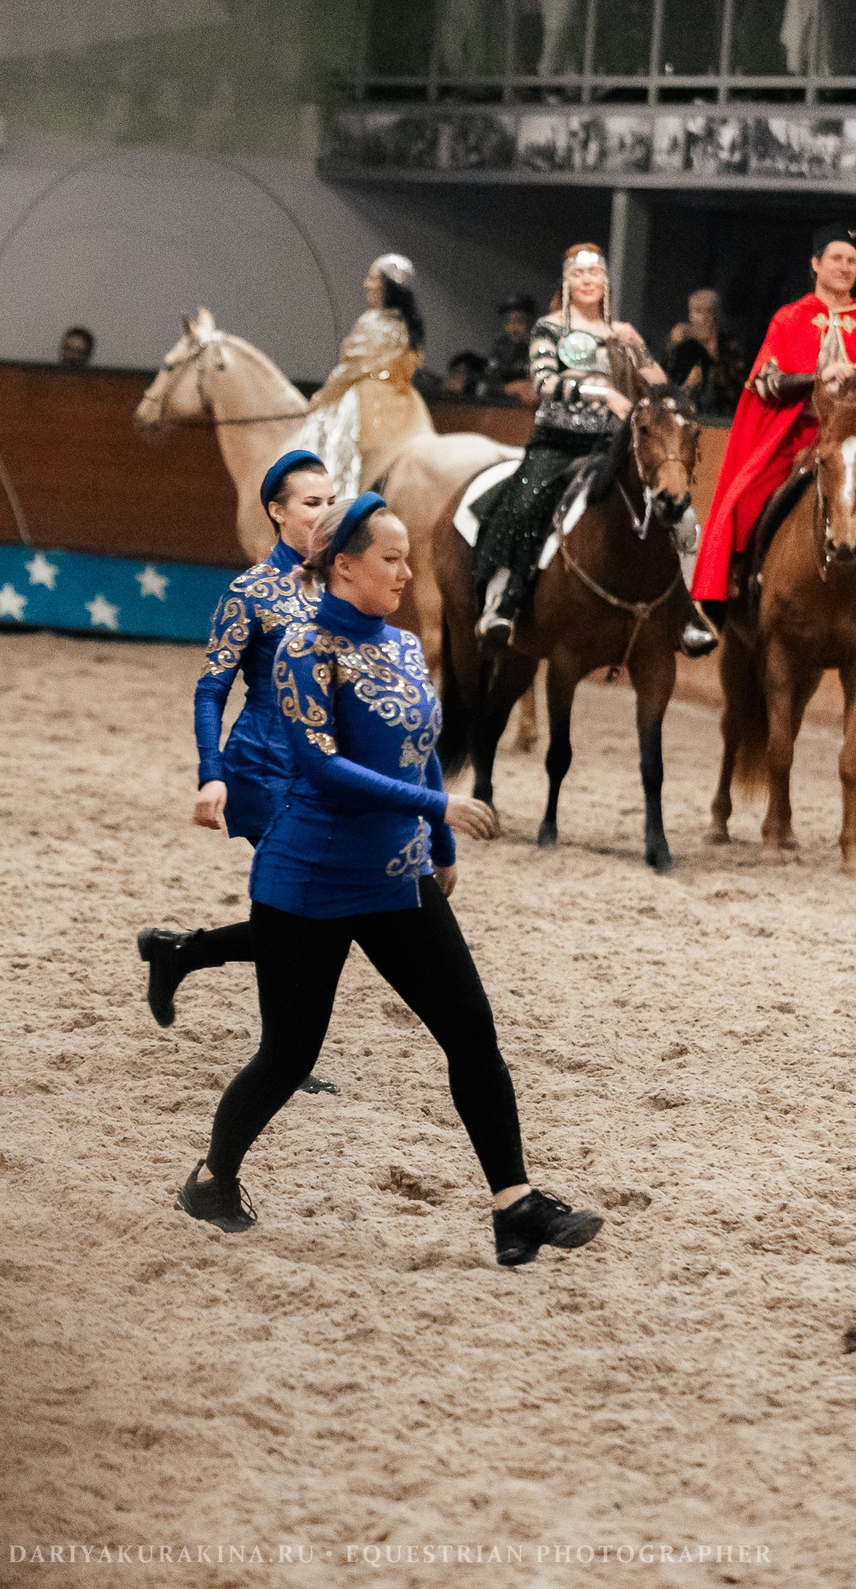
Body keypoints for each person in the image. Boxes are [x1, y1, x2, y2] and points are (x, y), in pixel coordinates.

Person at [174, 492, 607, 1268]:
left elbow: (418, 751)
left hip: (399, 876)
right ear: (343, 565)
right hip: (305, 879)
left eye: (408, 558)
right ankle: (213, 1179)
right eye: (392, 558)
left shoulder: (407, 648)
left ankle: (515, 1205)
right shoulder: (304, 649)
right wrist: (438, 805)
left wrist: (438, 839)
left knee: (472, 1032)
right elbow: (322, 768)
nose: (408, 573)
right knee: (288, 1055)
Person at [136, 448, 341, 1101]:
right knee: (303, 911)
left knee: (306, 917)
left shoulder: (339, 587)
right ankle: (284, 1053)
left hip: (319, 767)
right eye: (311, 502)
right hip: (259, 763)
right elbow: (208, 690)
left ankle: (182, 952)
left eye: (330, 501)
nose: (324, 512)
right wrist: (210, 772)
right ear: (278, 511)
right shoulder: (251, 591)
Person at [691, 224, 856, 650]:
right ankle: (723, 596)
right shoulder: (789, 319)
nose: (845, 268)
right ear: (815, 264)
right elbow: (764, 382)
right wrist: (817, 376)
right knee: (743, 499)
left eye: (852, 261)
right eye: (836, 259)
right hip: (798, 434)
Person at [469, 241, 679, 646]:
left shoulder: (622, 333)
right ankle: (502, 601)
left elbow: (659, 386)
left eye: (594, 273)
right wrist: (604, 394)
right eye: (578, 274)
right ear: (566, 283)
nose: (587, 281)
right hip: (559, 442)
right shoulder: (549, 327)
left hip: (613, 444)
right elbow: (545, 384)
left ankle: (681, 610)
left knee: (672, 506)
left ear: (605, 281)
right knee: (526, 502)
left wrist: (636, 346)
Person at [296, 253, 430, 494]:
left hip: (368, 401)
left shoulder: (372, 322)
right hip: (406, 403)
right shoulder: (407, 326)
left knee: (327, 446)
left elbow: (348, 370)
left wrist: (320, 400)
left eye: (372, 278)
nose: (366, 284)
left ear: (386, 286)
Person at [665, 287, 749, 414]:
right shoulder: (687, 348)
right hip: (692, 418)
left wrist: (709, 351)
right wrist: (673, 345)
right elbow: (667, 382)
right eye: (691, 312)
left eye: (697, 311)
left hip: (723, 419)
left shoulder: (731, 347)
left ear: (711, 315)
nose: (692, 318)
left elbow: (735, 391)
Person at [486, 292, 539, 402]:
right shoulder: (500, 347)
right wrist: (508, 388)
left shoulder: (539, 347)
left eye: (519, 321)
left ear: (531, 322)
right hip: (501, 406)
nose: (513, 328)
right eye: (508, 321)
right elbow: (487, 385)